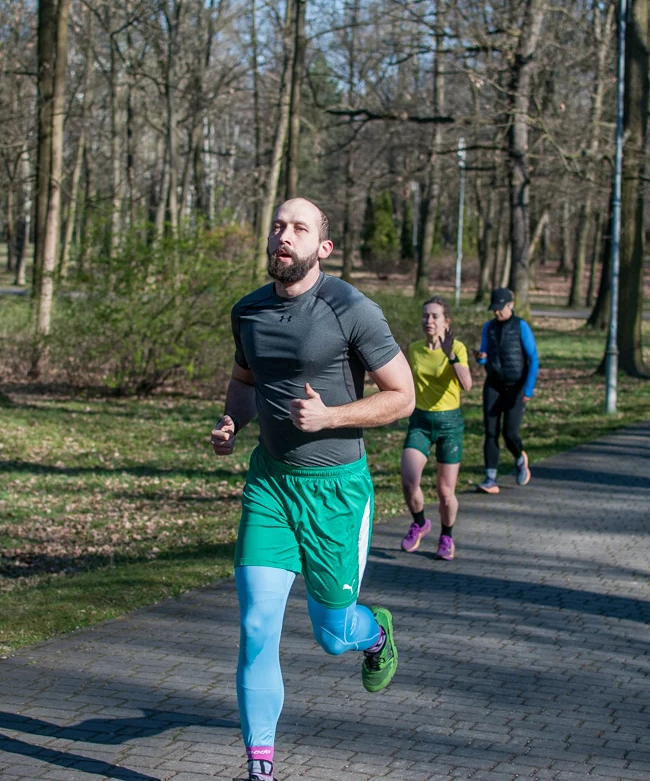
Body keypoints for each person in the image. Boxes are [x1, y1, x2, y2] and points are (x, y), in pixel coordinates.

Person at [211, 198, 415, 781]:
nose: (285, 235)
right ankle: (260, 768)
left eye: (300, 228)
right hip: (271, 485)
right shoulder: (247, 311)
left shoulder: (351, 308)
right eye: (278, 225)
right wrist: (232, 422)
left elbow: (403, 395)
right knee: (255, 628)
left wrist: (332, 417)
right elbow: (245, 382)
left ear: (322, 248)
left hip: (335, 491)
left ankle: (374, 633)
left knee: (331, 634)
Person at [399, 297, 472, 560]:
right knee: (408, 481)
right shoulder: (415, 348)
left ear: (446, 321)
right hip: (420, 421)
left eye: (434, 316)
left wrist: (451, 355)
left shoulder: (458, 348)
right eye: (425, 316)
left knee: (445, 492)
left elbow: (467, 384)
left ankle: (446, 536)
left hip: (450, 423)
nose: (428, 321)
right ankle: (419, 523)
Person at [474, 288, 539, 493]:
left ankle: (520, 458)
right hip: (493, 385)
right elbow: (484, 356)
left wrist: (527, 389)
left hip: (516, 387)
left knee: (509, 433)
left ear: (510, 305)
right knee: (490, 432)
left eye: (499, 309)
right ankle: (490, 478)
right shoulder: (489, 327)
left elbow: (533, 358)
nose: (496, 313)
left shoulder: (521, 326)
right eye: (493, 309)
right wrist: (480, 357)